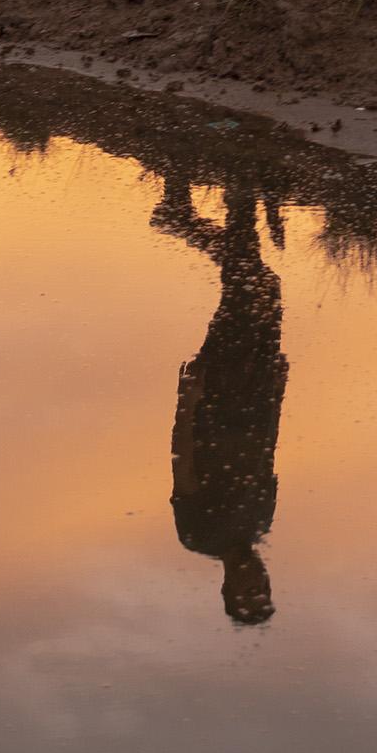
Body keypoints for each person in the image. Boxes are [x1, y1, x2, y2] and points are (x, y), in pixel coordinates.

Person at [150, 172, 288, 626]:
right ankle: (194, 214)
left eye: (248, 588)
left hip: (220, 398)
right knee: (264, 287)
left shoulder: (199, 535)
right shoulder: (260, 523)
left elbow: (182, 465)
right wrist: (279, 389)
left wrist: (188, 399)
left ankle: (238, 199)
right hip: (257, 391)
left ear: (228, 587)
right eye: (262, 587)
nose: (256, 578)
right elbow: (267, 452)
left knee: (246, 287)